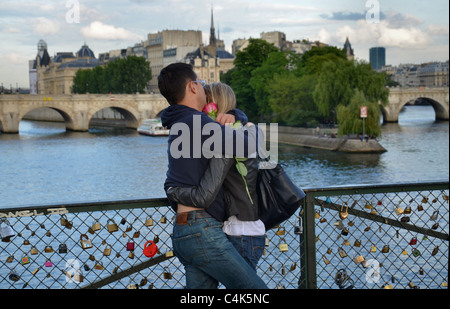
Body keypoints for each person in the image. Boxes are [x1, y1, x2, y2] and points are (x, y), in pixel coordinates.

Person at [158, 63, 267, 289]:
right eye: (200, 82)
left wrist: (236, 114)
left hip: (182, 230)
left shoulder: (180, 122)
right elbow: (245, 145)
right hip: (202, 230)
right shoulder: (196, 123)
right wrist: (255, 128)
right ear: (192, 87)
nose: (203, 87)